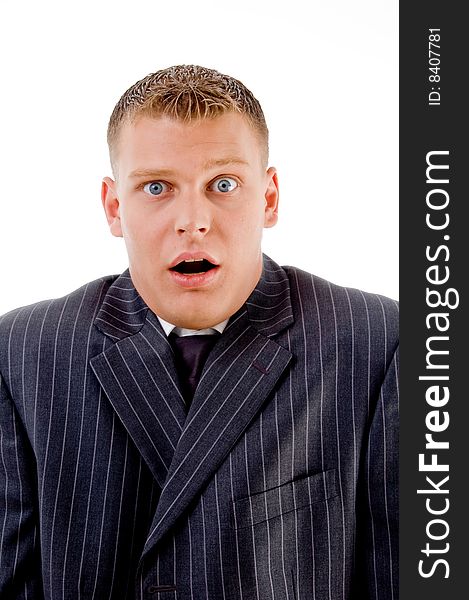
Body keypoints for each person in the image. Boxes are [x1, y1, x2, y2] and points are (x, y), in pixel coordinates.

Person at [0, 65, 398, 599]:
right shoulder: (22, 351)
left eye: (224, 184)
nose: (193, 220)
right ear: (115, 206)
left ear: (270, 197)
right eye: (157, 187)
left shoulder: (379, 344)